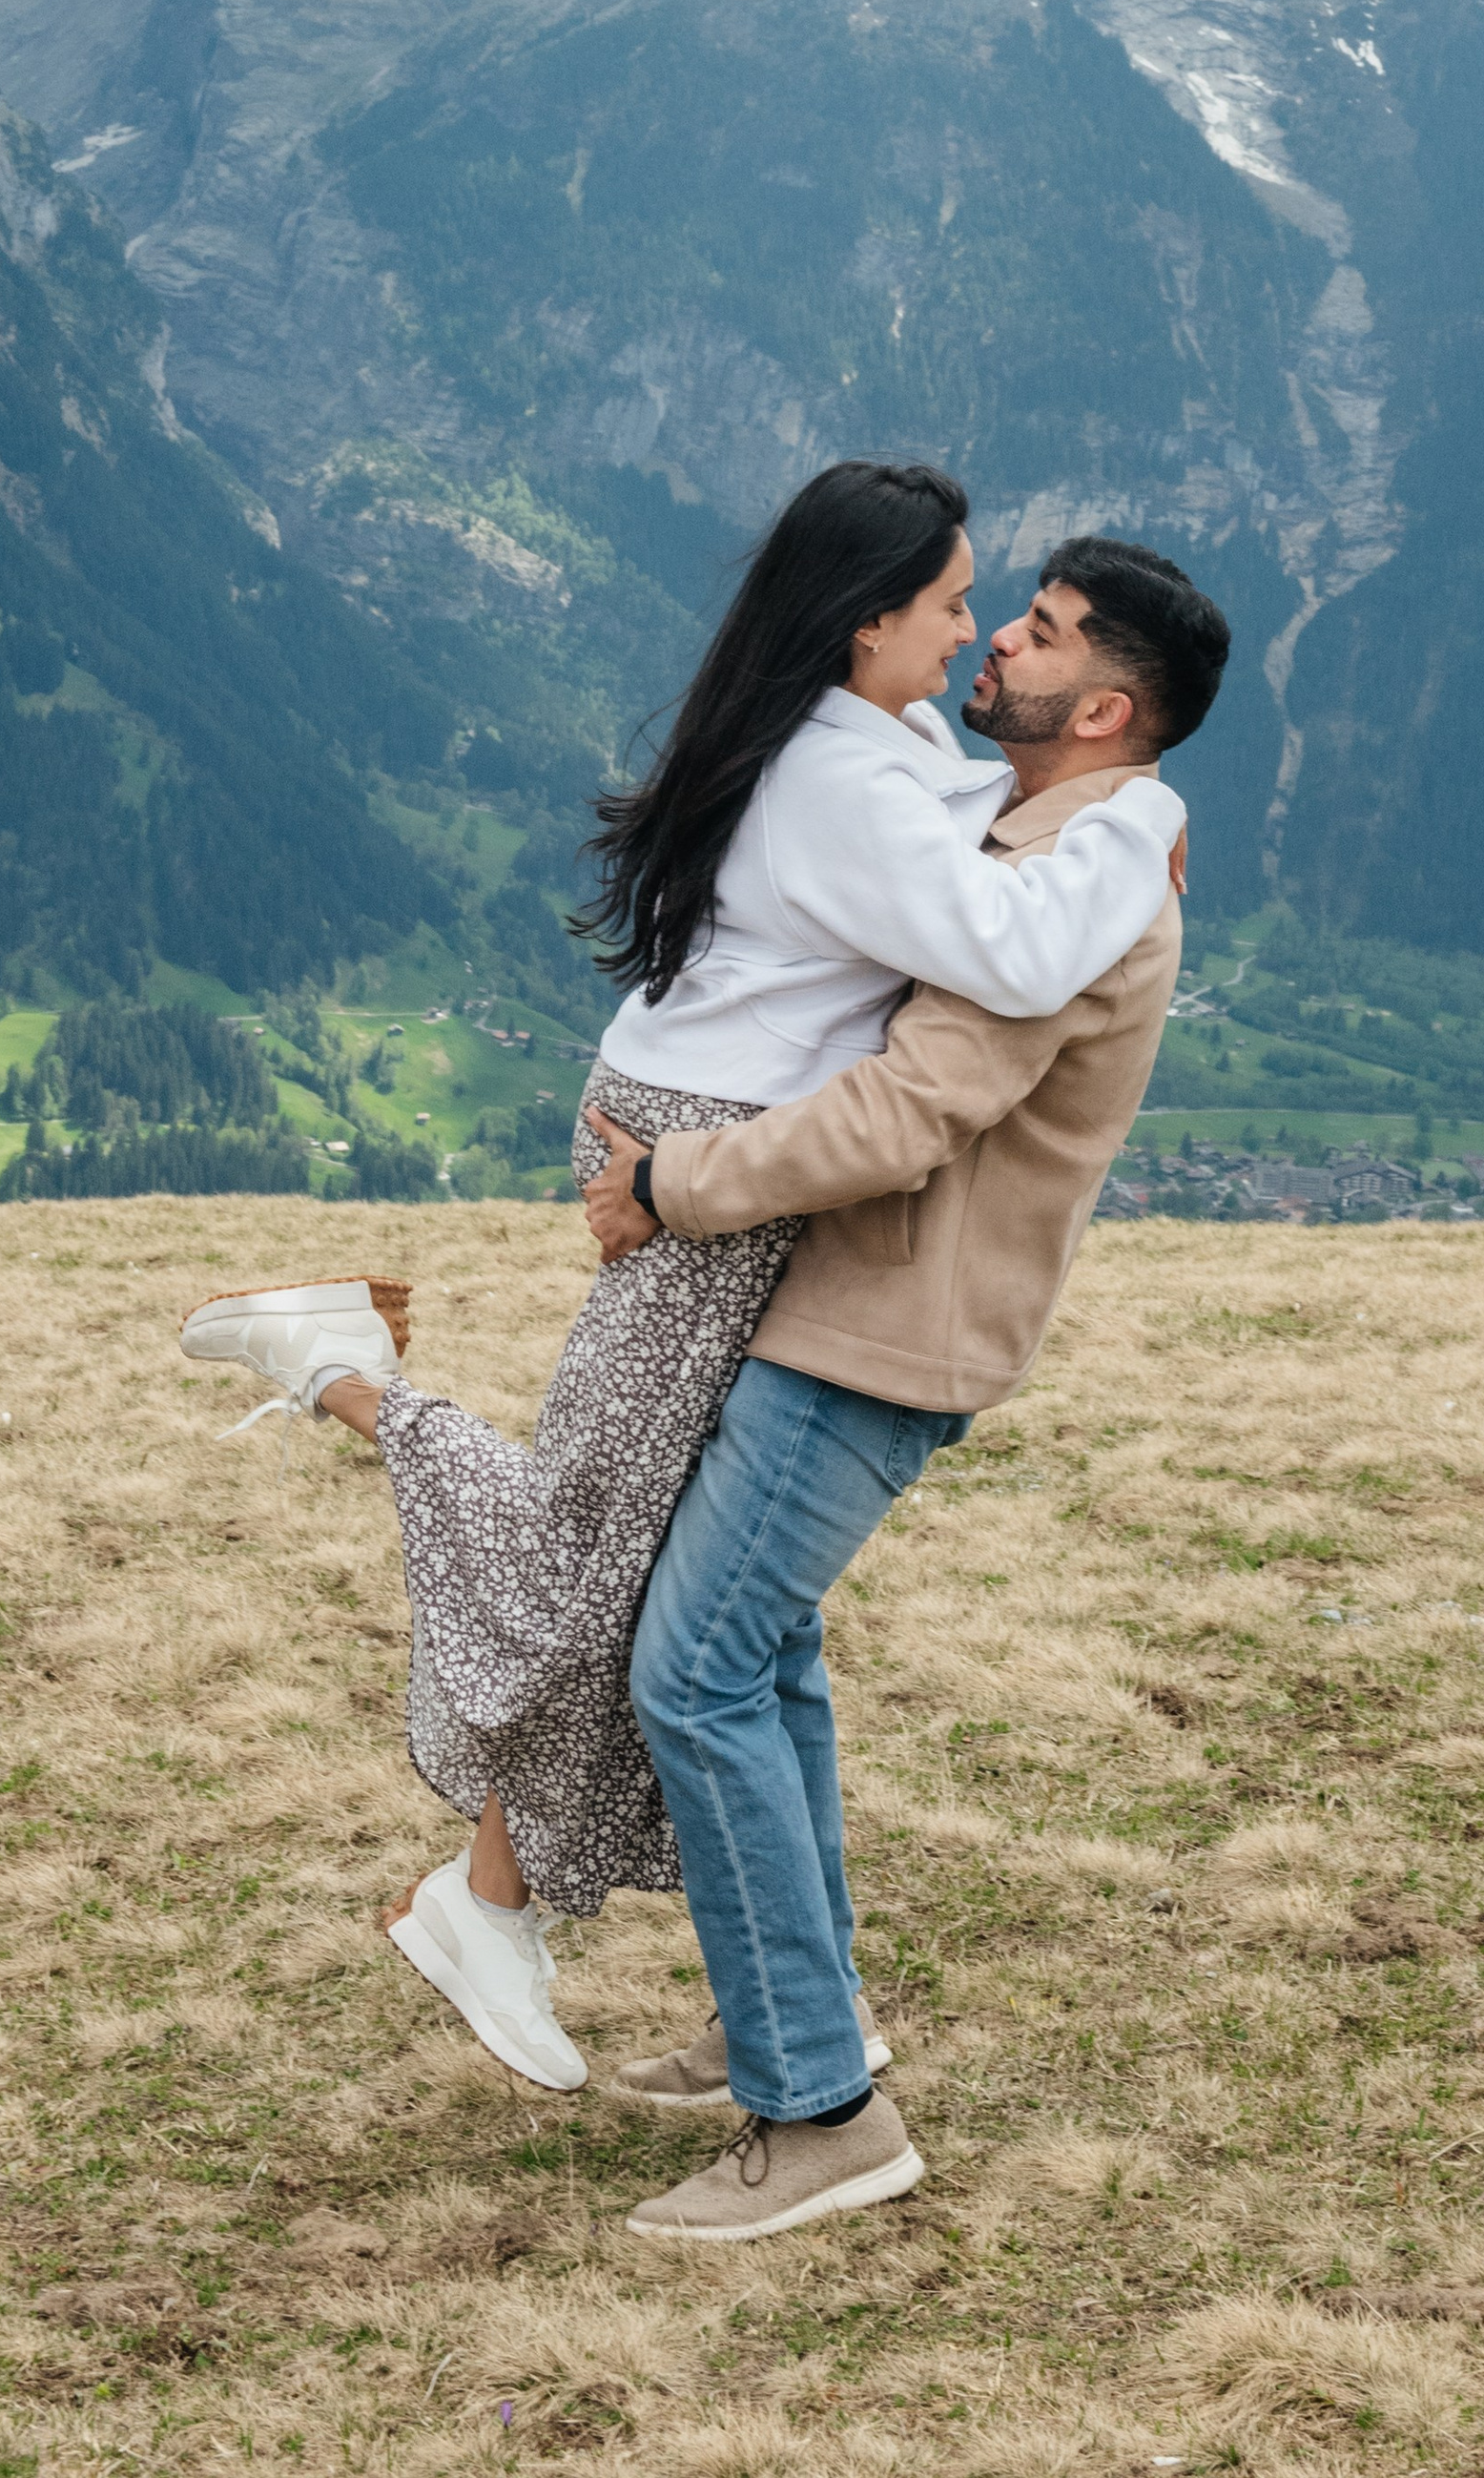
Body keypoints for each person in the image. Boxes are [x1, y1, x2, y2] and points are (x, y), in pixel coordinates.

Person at [175, 463, 1186, 2092]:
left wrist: (1106, 816)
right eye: (950, 601)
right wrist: (1140, 815)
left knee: (635, 1565)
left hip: (700, 1132)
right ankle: (345, 1378)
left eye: (1000, 610)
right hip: (703, 1155)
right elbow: (999, 953)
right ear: (865, 621)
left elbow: (974, 872)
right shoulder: (856, 779)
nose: (973, 630)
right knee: (605, 1552)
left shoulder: (882, 745)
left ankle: (537, 1914)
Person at [574, 535, 1230, 2241]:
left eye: (1041, 631)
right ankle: (786, 2020)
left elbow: (906, 1114)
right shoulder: (1028, 832)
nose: (997, 637)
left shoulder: (1076, 876)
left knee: (696, 1670)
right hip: (853, 1310)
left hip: (885, 1332)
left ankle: (822, 2118)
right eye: (996, 607)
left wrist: (670, 1188)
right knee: (761, 1663)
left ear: (1100, 706)